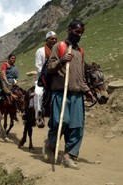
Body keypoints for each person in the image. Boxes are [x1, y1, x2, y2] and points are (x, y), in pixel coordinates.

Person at [43, 20, 94, 169]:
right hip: (61, 93)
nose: (79, 35)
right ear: (69, 30)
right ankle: (50, 144)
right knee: (61, 122)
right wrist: (62, 60)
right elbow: (50, 67)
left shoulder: (80, 51)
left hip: (77, 95)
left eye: (81, 33)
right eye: (77, 32)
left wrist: (87, 90)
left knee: (77, 127)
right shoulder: (59, 47)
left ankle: (68, 156)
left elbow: (81, 75)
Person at [34, 31, 58, 127]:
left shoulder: (58, 50)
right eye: (52, 39)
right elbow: (38, 66)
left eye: (55, 39)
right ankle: (39, 116)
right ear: (47, 40)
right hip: (42, 78)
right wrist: (47, 73)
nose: (54, 40)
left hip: (56, 77)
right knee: (38, 93)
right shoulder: (40, 51)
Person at [0, 53, 19, 121]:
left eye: (14, 59)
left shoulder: (15, 68)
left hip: (12, 83)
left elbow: (16, 78)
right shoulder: (5, 64)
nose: (13, 60)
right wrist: (7, 82)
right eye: (12, 58)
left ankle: (16, 112)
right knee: (0, 92)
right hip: (4, 82)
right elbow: (3, 74)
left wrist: (15, 83)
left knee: (19, 94)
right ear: (9, 59)